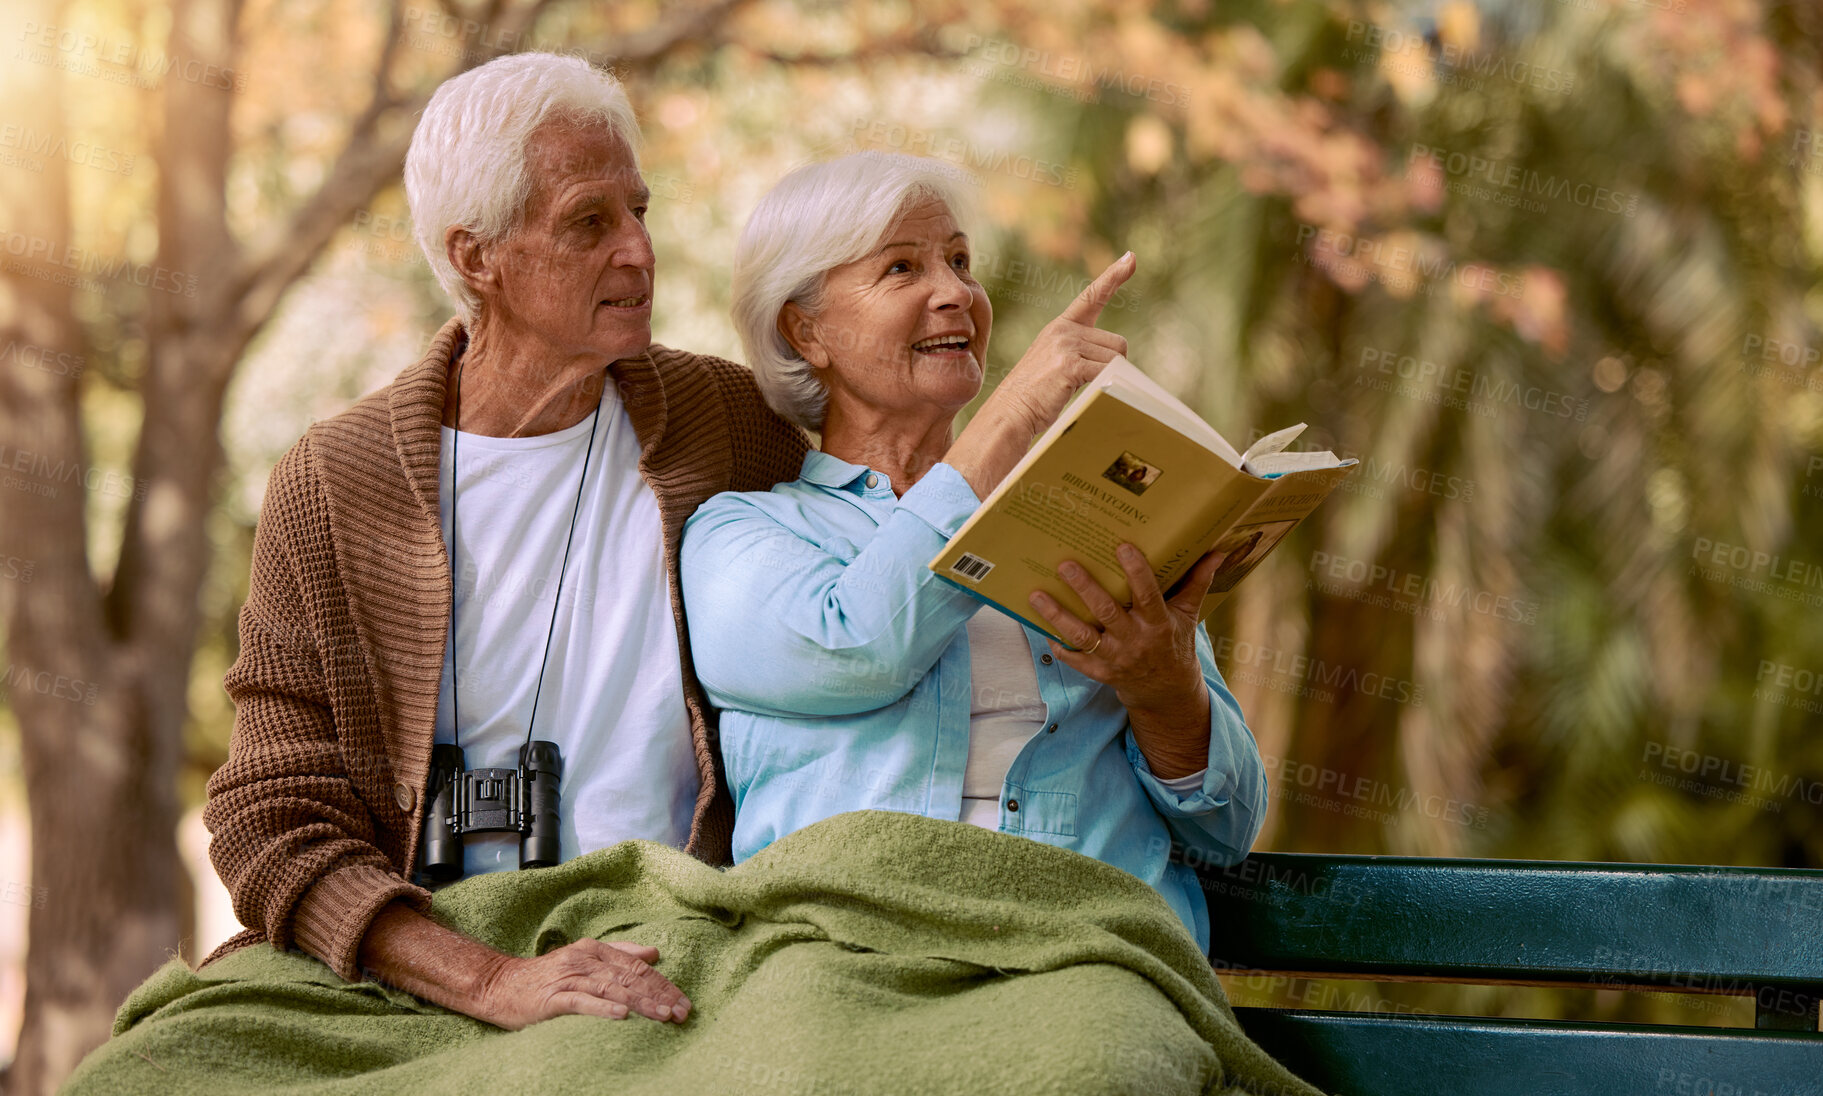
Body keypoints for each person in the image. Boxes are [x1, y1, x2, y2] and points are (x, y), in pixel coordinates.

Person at [197, 53, 808, 1029]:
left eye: (639, 212)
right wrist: (487, 979)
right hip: (427, 958)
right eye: (588, 223)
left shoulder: (724, 422)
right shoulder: (331, 483)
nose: (639, 253)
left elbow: (882, 525)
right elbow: (268, 815)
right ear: (475, 256)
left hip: (673, 937)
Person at [679, 152, 1267, 953]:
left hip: (1086, 952)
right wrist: (1018, 410)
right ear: (804, 330)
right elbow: (862, 645)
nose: (955, 291)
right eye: (902, 267)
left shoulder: (1093, 517)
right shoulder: (743, 534)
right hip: (846, 956)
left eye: (961, 261)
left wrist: (1163, 692)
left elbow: (1227, 835)